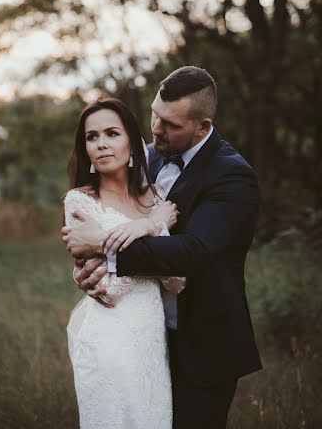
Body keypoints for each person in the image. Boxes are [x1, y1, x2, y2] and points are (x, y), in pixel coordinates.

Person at [63, 66, 262, 429]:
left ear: (203, 127)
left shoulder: (233, 176)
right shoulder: (146, 157)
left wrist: (107, 251)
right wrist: (87, 267)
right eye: (155, 114)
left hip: (203, 343)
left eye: (170, 124)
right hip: (143, 336)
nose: (156, 129)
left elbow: (194, 251)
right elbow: (109, 208)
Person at [63, 96, 185, 429]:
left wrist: (124, 238)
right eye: (92, 137)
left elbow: (177, 279)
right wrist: (154, 229)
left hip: (150, 344)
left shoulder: (157, 197)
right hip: (106, 343)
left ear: (132, 141)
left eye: (111, 133)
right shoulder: (80, 202)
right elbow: (109, 287)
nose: (101, 144)